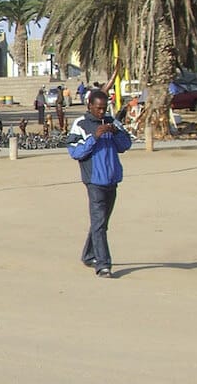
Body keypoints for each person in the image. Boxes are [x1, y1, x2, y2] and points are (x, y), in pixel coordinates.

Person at [67, 89, 133, 278]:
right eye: (98, 108)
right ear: (90, 106)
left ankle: (89, 254)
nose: (101, 112)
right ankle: (103, 265)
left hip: (112, 180)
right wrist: (94, 137)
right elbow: (75, 152)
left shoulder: (112, 122)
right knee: (99, 222)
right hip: (94, 181)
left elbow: (125, 146)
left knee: (101, 222)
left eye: (104, 109)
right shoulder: (81, 124)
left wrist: (115, 132)